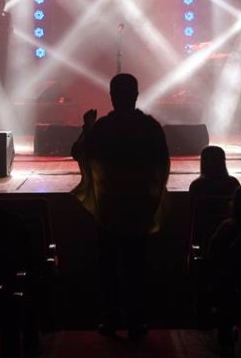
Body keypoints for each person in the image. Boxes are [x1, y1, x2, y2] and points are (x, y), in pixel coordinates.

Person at [71, 73, 170, 340]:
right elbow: (162, 162)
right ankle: (136, 321)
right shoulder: (149, 126)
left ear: (112, 97)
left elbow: (79, 152)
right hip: (139, 204)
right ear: (136, 95)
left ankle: (110, 318)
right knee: (136, 264)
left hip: (110, 206)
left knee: (109, 264)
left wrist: (87, 127)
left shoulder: (103, 127)